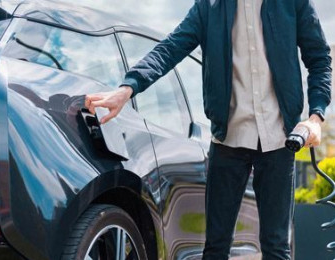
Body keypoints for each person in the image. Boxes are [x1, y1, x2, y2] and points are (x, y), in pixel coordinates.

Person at [85, 0, 332, 259]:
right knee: (215, 247)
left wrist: (316, 117)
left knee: (276, 246)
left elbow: (319, 59)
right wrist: (127, 89)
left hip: (279, 140)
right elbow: (171, 48)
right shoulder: (209, 7)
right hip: (228, 141)